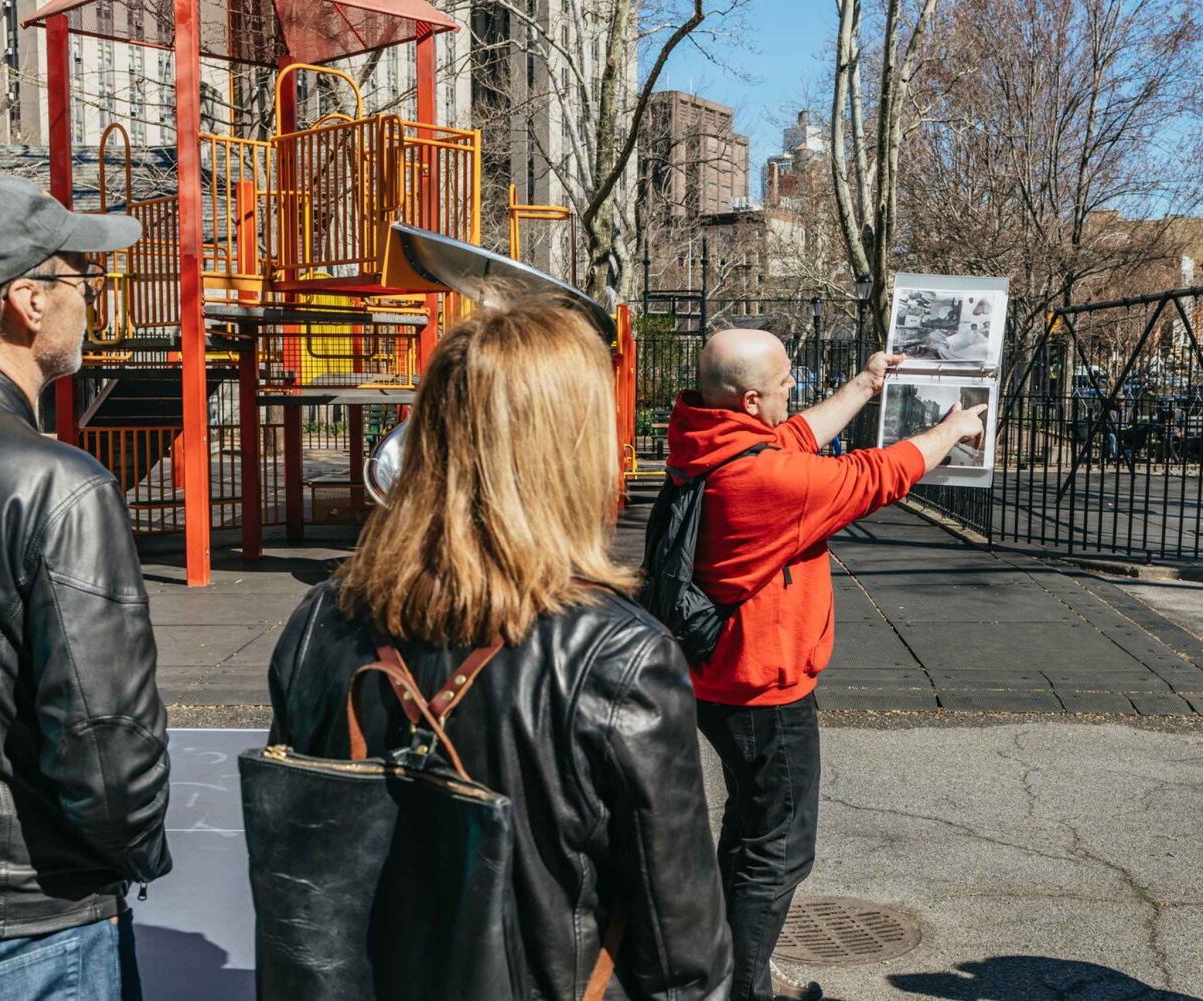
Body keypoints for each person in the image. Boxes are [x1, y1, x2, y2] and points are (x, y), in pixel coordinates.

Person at [265, 299, 733, 1000]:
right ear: (571, 448)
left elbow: (293, 869)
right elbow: (682, 959)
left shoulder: (320, 622)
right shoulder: (619, 657)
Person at [666, 329, 986, 1001]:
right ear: (752, 398)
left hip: (725, 675)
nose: (795, 390)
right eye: (785, 382)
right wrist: (953, 427)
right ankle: (740, 987)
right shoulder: (759, 478)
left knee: (751, 832)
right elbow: (875, 476)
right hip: (764, 687)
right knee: (780, 848)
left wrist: (866, 384)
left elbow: (800, 434)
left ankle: (730, 967)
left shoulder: (710, 435)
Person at [0, 174, 171, 999]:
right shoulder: (56, 484)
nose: (94, 299)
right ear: (28, 301)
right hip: (23, 922)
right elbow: (105, 746)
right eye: (82, 278)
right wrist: (129, 856)